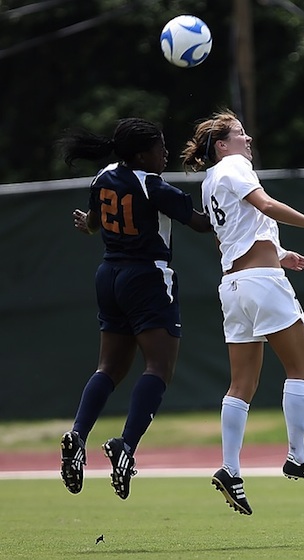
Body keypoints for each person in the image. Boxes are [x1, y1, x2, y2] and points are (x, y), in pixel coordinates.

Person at [181, 109, 304, 516]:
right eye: (239, 134)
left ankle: (230, 469)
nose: (247, 139)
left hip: (232, 287)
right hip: (261, 284)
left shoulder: (207, 183)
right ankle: (296, 456)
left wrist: (280, 252)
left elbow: (233, 237)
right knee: (301, 367)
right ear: (222, 145)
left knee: (241, 385)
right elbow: (266, 205)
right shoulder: (234, 165)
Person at [57, 117, 210, 500]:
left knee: (108, 367)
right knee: (158, 368)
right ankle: (125, 445)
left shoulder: (104, 176)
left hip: (108, 275)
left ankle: (78, 434)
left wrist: (87, 225)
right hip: (147, 278)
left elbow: (93, 224)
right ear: (141, 154)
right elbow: (202, 224)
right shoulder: (153, 186)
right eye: (160, 146)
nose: (166, 152)